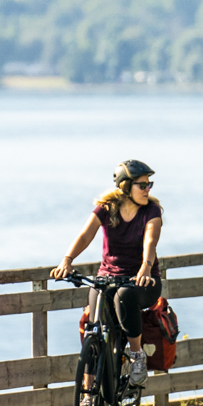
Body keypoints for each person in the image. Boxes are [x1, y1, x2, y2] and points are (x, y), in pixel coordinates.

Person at [51, 159, 163, 386]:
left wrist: (146, 266)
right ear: (124, 187)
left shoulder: (151, 210)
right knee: (93, 326)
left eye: (149, 184)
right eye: (142, 185)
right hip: (108, 279)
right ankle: (87, 393)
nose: (147, 189)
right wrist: (67, 260)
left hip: (142, 281)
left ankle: (137, 357)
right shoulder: (106, 208)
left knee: (125, 295)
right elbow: (85, 235)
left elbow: (150, 240)